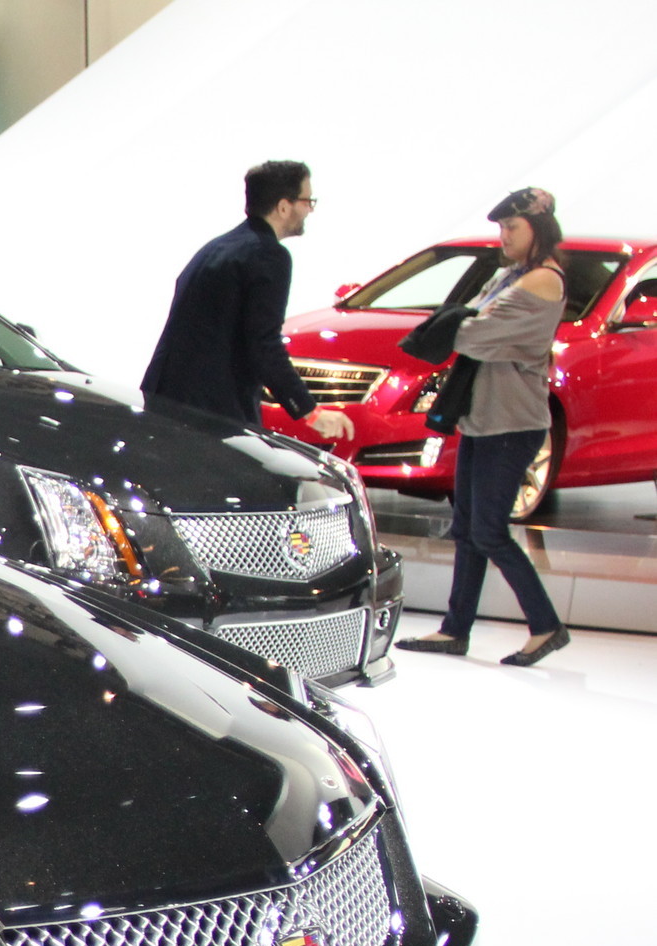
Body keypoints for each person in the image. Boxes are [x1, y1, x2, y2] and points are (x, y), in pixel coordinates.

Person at [398, 188, 572, 666]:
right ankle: (455, 630)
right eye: (500, 228)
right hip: (485, 417)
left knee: (489, 531)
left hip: (513, 424)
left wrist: (459, 323)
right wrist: (466, 322)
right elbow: (472, 325)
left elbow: (476, 334)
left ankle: (546, 626)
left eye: (512, 228)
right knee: (468, 529)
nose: (504, 237)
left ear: (538, 228)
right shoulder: (508, 275)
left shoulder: (541, 281)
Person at [141, 160, 355, 442]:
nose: (309, 210)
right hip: (211, 414)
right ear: (283, 206)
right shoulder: (268, 255)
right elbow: (263, 345)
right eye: (307, 201)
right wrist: (309, 411)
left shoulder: (216, 247)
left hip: (166, 398)